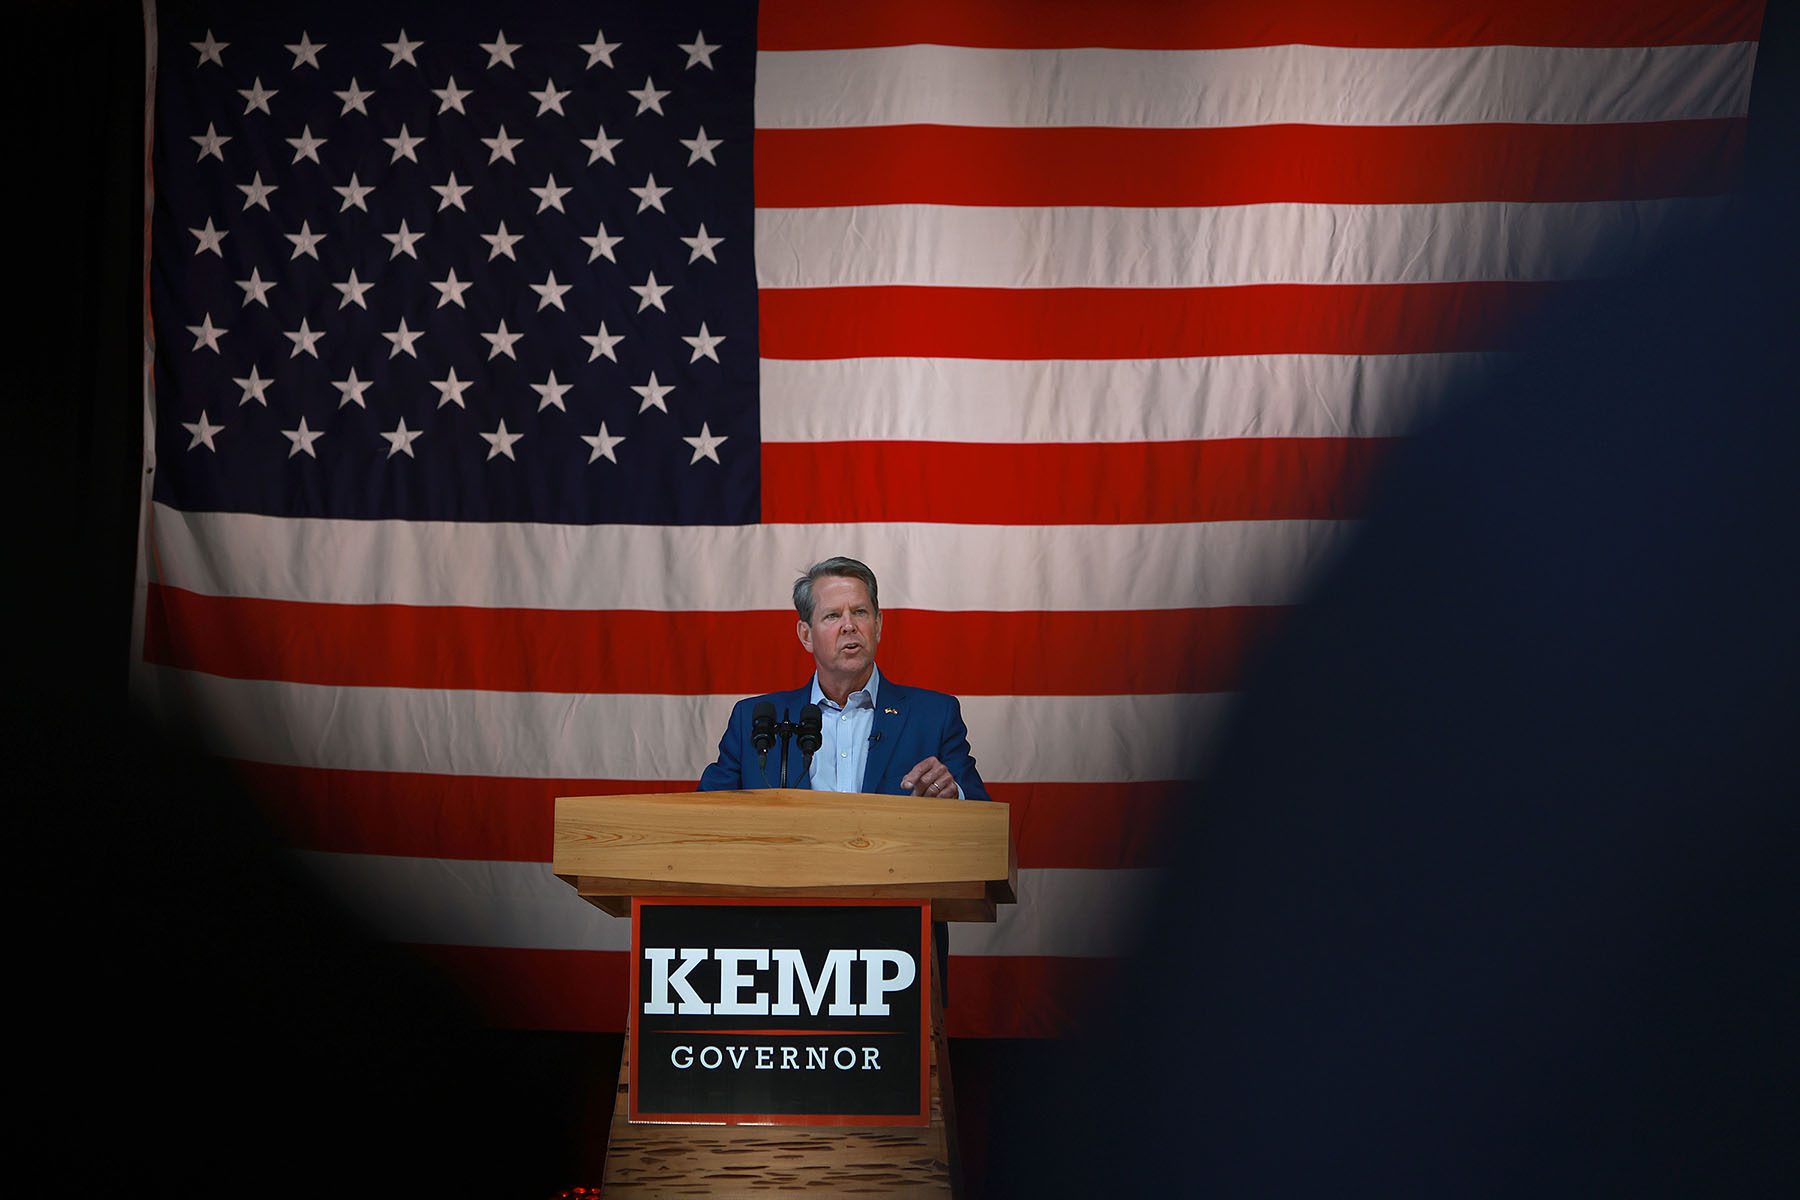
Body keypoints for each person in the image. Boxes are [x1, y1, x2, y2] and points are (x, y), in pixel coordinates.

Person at [699, 557, 988, 801]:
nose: (849, 626)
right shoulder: (753, 719)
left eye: (860, 612)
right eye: (833, 616)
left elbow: (983, 821)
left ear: (877, 625)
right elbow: (704, 815)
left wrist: (954, 795)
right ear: (806, 635)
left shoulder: (934, 716)